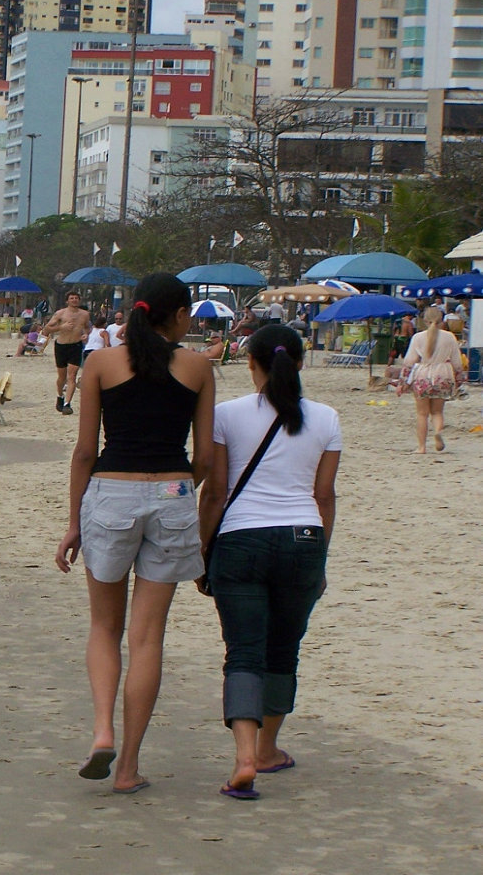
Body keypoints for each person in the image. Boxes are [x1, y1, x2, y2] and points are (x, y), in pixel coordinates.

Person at [54, 273, 216, 795]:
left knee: (105, 627)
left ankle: (102, 731)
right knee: (148, 638)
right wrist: (176, 489)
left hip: (110, 491)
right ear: (180, 316)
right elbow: (207, 457)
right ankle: (128, 768)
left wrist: (75, 521)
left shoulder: (100, 362)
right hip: (172, 493)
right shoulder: (197, 366)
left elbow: (84, 451)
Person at [198, 325, 340, 800]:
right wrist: (319, 558)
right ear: (299, 363)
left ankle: (242, 758)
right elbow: (324, 496)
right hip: (303, 539)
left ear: (251, 363)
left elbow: (215, 492)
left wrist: (204, 550)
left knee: (243, 652)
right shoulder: (326, 418)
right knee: (283, 650)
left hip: (241, 539)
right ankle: (268, 749)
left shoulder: (226, 415)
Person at [399, 305, 464, 453]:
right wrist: (459, 379)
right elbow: (457, 362)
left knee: (422, 413)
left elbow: (409, 362)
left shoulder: (418, 337)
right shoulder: (450, 337)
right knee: (437, 412)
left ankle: (422, 447)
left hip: (423, 375)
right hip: (443, 375)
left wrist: (403, 382)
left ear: (425, 321)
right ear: (441, 320)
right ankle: (438, 431)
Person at [44, 291, 91, 415]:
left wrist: (86, 334)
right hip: (61, 346)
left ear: (79, 300)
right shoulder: (61, 313)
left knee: (72, 376)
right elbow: (46, 329)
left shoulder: (85, 314)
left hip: (76, 345)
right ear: (67, 301)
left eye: (76, 298)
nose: (74, 300)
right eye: (72, 298)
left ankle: (67, 404)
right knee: (62, 377)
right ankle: (60, 396)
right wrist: (61, 327)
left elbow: (87, 327)